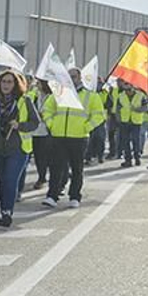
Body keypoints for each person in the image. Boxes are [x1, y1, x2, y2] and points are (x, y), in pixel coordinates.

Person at [41, 67, 105, 208]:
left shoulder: (90, 96)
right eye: (68, 76)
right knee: (56, 168)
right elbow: (46, 109)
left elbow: (99, 115)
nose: (71, 79)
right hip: (58, 135)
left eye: (74, 76)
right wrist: (51, 124)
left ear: (80, 78)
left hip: (79, 137)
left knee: (77, 169)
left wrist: (86, 127)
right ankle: (52, 196)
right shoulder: (59, 93)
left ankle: (74, 196)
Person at [0, 69, 34, 228]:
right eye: (3, 82)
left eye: (10, 82)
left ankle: (7, 213)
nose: (6, 85)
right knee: (2, 181)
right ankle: (3, 210)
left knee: (11, 180)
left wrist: (20, 125)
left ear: (16, 85)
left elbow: (35, 122)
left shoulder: (24, 101)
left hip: (17, 148)